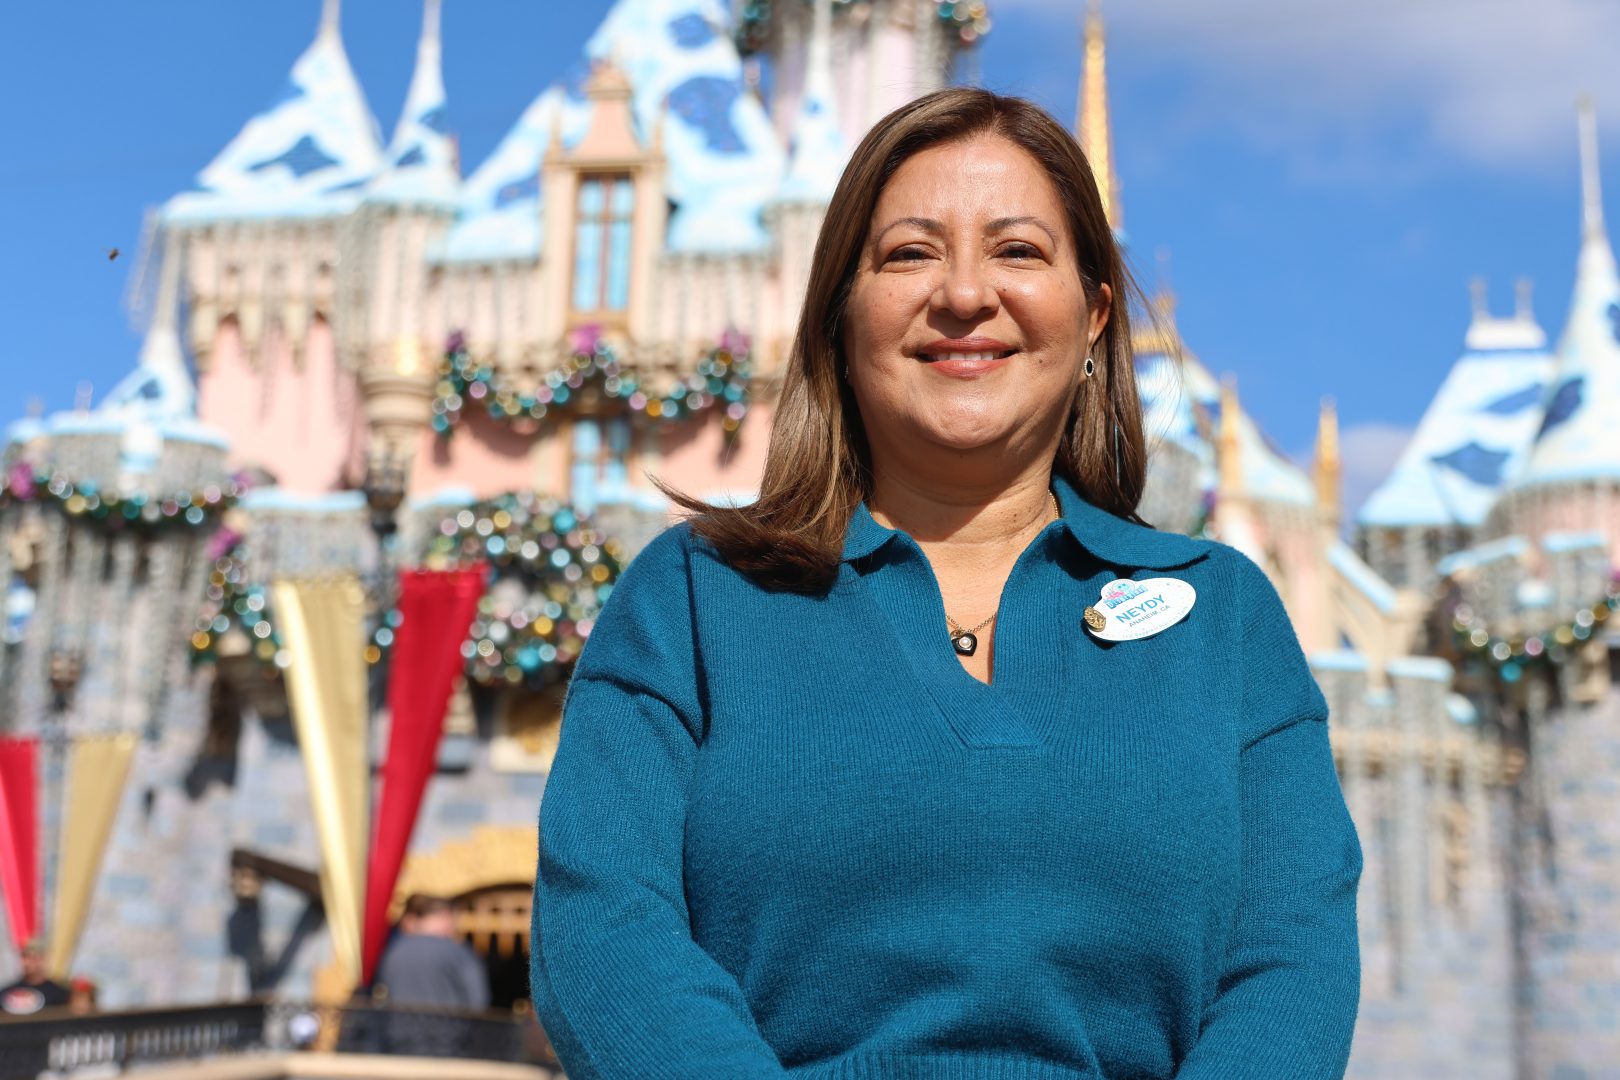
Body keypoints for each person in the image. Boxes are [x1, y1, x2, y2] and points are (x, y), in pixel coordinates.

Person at [530, 87, 1363, 1079]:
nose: (966, 294)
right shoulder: (693, 603)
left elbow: (1291, 967)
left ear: (1095, 314)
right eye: (911, 253)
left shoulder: (1222, 619)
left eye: (1018, 251)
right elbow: (605, 931)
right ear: (842, 313)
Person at [374, 894, 489, 1057]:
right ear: (444, 916)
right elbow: (478, 1003)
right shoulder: (458, 952)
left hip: (398, 1044)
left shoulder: (392, 951)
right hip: (447, 1046)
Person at [0, 938, 70, 1015]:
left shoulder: (59, 993)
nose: (30, 962)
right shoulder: (6, 993)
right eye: (26, 957)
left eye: (35, 958)